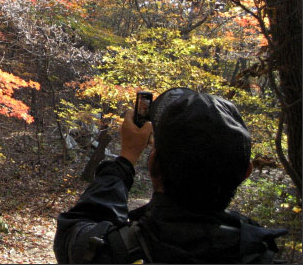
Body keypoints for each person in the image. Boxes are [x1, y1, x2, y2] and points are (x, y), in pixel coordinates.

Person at [54, 87, 287, 263]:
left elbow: (74, 228)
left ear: (153, 165)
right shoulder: (262, 254)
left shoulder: (108, 250)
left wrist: (126, 158)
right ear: (246, 172)